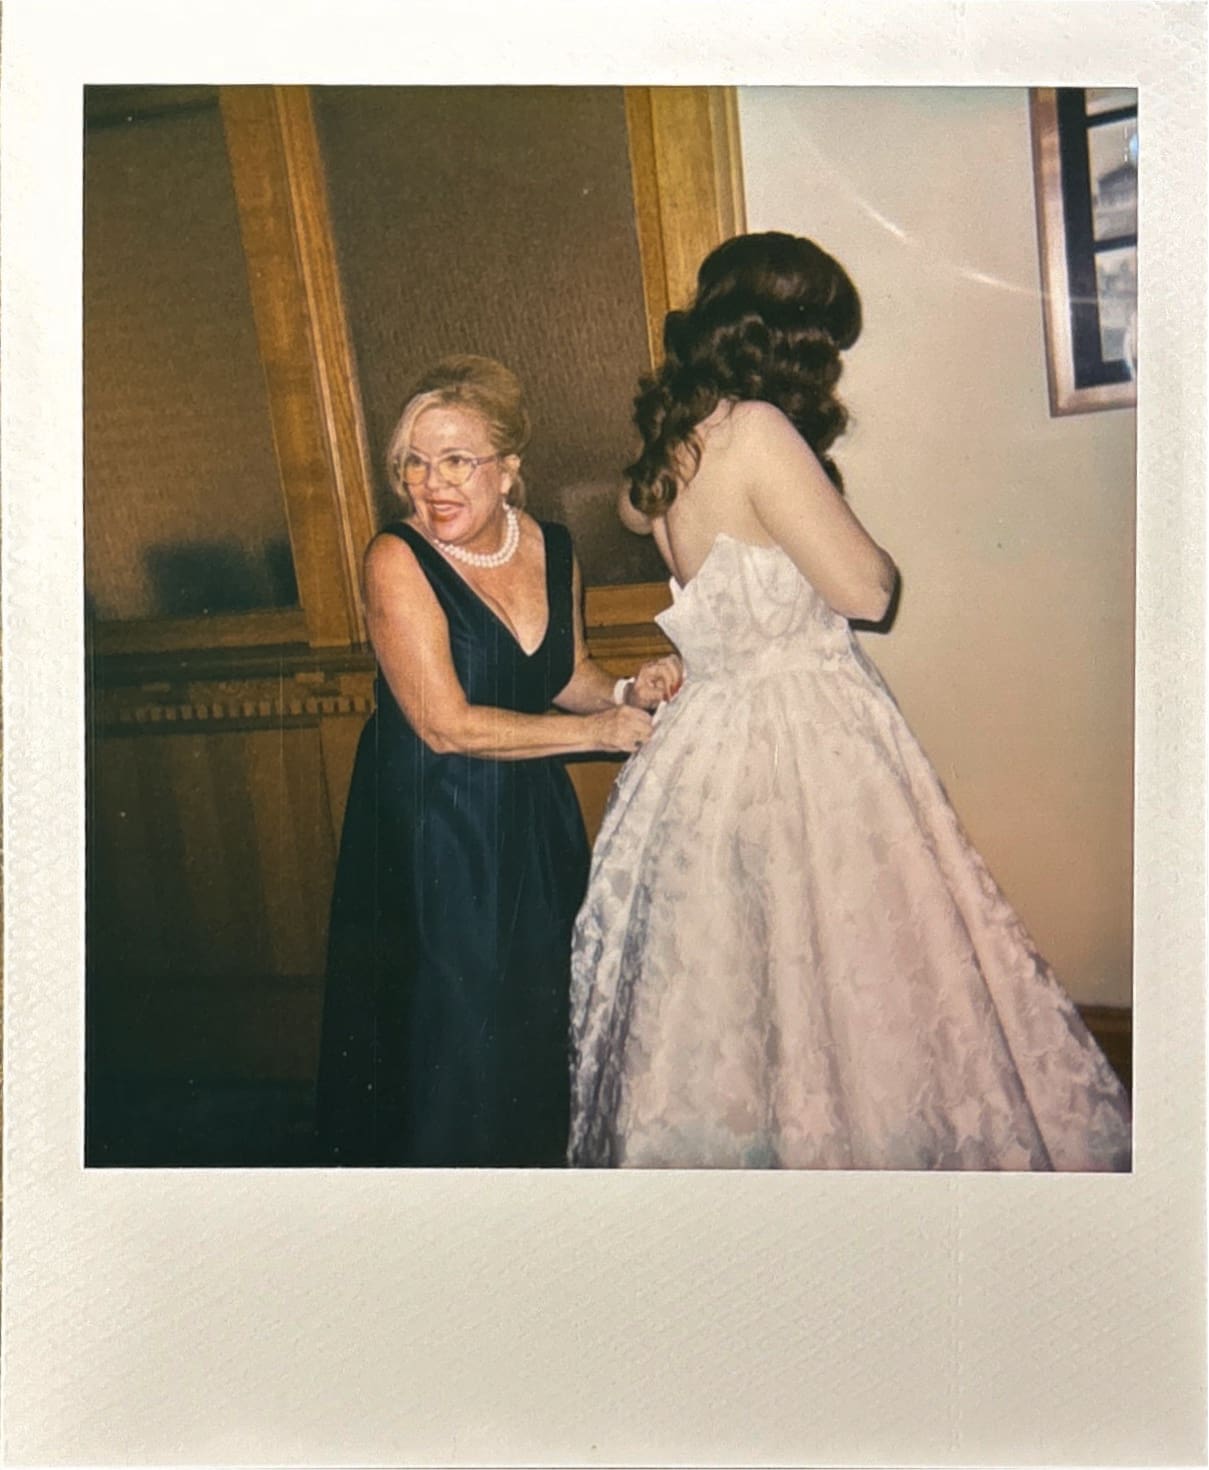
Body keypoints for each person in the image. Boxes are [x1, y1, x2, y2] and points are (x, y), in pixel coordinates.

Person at [568, 233, 1132, 1172]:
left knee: (738, 982)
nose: (829, 361)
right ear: (783, 339)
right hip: (800, 727)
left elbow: (635, 512)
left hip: (707, 739)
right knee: (849, 966)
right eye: (821, 339)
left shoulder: (674, 445)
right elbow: (867, 592)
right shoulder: (755, 430)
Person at [315, 355, 674, 1167]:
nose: (428, 484)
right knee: (456, 1033)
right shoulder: (395, 559)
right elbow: (443, 725)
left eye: (454, 461)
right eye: (413, 462)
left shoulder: (551, 545)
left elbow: (565, 677)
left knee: (543, 1010)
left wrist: (628, 689)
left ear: (508, 471)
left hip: (528, 820)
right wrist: (597, 734)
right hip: (434, 826)